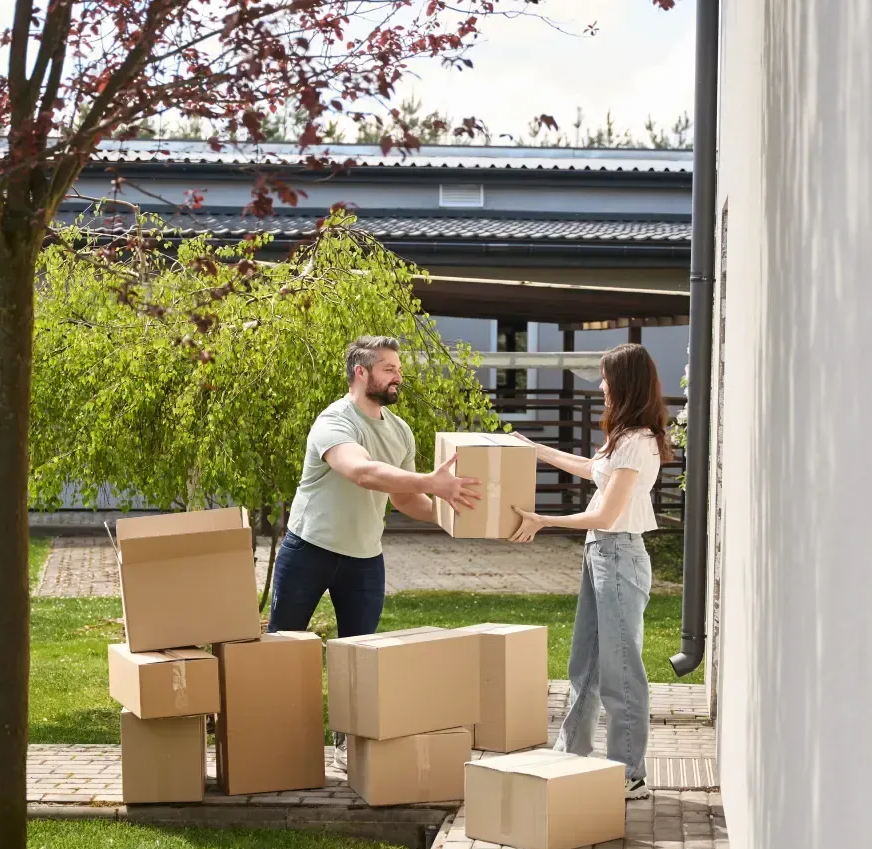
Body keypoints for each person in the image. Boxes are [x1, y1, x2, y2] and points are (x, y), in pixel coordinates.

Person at [269, 334, 481, 768]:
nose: (398, 376)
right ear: (360, 373)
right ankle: (269, 735)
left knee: (359, 657)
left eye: (398, 369)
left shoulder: (400, 431)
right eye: (389, 368)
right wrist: (430, 482)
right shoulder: (334, 421)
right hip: (309, 548)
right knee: (281, 650)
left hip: (364, 558)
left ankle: (348, 745)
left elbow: (403, 498)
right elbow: (362, 472)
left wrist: (451, 515)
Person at [507, 343, 673, 800]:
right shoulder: (623, 438)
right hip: (602, 554)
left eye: (605, 378)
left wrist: (545, 521)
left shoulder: (638, 443)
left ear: (623, 384)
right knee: (586, 663)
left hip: (618, 554)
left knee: (620, 672)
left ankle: (628, 772)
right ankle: (571, 755)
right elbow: (593, 470)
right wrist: (537, 450)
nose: (600, 386)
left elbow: (607, 515)